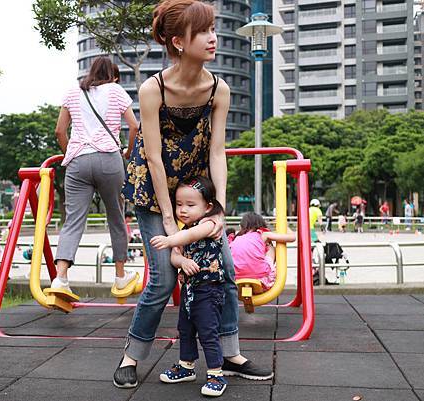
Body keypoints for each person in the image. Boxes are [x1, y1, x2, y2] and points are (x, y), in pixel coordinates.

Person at [117, 0, 272, 389]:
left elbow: (217, 152)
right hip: (153, 192)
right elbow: (153, 158)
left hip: (196, 191)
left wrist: (217, 211)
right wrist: (171, 229)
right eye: (203, 31)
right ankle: (132, 355)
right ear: (178, 42)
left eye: (212, 29)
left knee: (226, 268)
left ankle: (231, 355)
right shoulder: (154, 89)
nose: (213, 38)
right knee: (164, 276)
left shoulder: (218, 88)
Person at [52, 56, 139, 294]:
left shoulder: (73, 92)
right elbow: (134, 126)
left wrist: (71, 152)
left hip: (78, 161)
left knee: (73, 220)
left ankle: (60, 278)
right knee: (117, 217)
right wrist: (129, 152)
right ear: (113, 75)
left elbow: (60, 130)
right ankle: (120, 276)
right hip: (110, 159)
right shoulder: (116, 90)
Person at [149, 176, 228, 396]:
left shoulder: (210, 224)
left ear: (208, 206)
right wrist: (182, 261)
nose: (183, 210)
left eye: (191, 205)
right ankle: (186, 366)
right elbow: (175, 258)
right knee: (185, 328)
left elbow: (193, 235)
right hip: (190, 290)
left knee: (208, 331)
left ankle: (215, 373)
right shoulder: (184, 229)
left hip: (209, 290)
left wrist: (170, 240)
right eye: (179, 204)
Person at [230, 212, 296, 291]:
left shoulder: (237, 238)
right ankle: (269, 270)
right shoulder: (263, 234)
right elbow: (292, 237)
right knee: (270, 248)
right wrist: (285, 225)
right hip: (262, 278)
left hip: (236, 280)